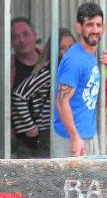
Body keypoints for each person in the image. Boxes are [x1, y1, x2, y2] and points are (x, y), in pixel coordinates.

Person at [52, 2, 107, 157]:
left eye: (98, 25)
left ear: (104, 27)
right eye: (89, 25)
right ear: (79, 28)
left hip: (88, 134)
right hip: (70, 139)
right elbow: (62, 102)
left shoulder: (91, 55)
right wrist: (75, 136)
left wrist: (106, 66)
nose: (95, 30)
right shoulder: (74, 59)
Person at [11, 28, 75, 158]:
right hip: (48, 134)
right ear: (55, 51)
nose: (68, 52)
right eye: (63, 48)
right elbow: (19, 95)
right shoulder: (49, 72)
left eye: (71, 47)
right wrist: (30, 126)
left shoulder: (74, 70)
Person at [10, 18, 42, 90]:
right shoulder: (7, 68)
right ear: (11, 42)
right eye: (15, 36)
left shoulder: (50, 59)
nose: (21, 40)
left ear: (35, 35)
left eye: (25, 34)